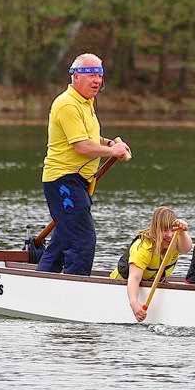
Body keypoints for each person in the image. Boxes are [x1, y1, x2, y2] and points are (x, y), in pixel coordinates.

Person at [37, 52, 132, 276]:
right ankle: (74, 289)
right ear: (75, 76)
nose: (97, 80)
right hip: (63, 181)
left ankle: (41, 279)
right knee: (83, 240)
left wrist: (108, 142)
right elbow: (81, 146)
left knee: (63, 239)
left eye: (99, 74)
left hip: (79, 181)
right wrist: (112, 151)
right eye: (90, 74)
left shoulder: (87, 102)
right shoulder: (67, 104)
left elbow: (88, 138)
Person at [109, 206, 192, 322]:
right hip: (122, 283)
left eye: (172, 230)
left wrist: (182, 232)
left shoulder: (176, 239)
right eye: (164, 230)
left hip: (150, 282)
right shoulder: (144, 246)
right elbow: (134, 278)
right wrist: (134, 304)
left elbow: (186, 249)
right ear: (155, 229)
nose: (169, 235)